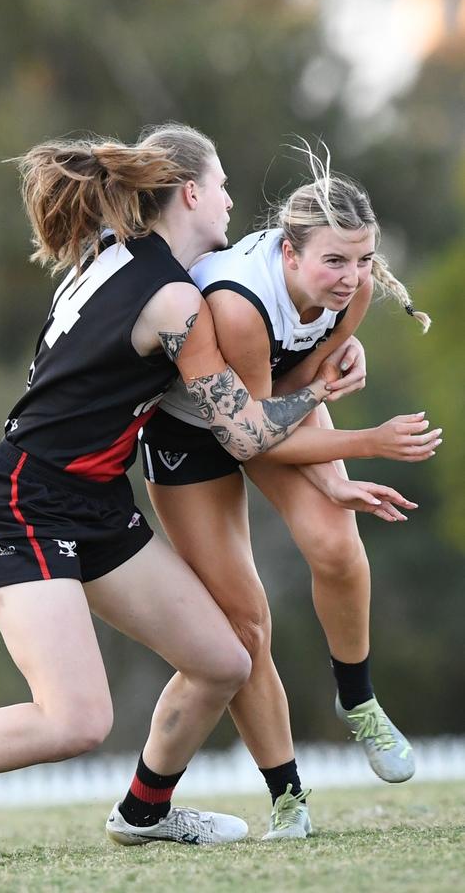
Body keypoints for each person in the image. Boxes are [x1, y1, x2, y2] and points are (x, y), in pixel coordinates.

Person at [0, 126, 359, 871]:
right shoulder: (173, 298)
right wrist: (321, 390)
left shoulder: (112, 248)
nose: (234, 201)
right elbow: (243, 434)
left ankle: (145, 812)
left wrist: (318, 342)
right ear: (193, 193)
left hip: (96, 502)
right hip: (21, 500)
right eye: (225, 184)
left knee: (224, 660)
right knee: (75, 721)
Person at [139, 137, 439, 840]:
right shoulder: (240, 305)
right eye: (334, 260)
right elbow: (248, 433)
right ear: (288, 252)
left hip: (275, 409)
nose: (351, 277)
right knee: (246, 627)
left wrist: (335, 482)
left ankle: (357, 700)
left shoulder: (355, 290)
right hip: (195, 437)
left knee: (336, 543)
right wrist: (365, 446)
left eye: (363, 260)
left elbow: (302, 391)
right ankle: (288, 799)